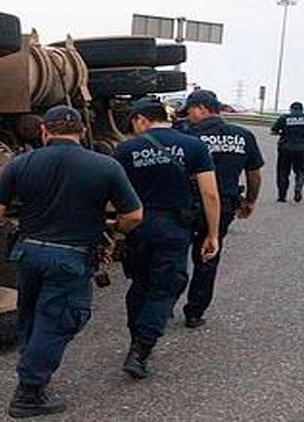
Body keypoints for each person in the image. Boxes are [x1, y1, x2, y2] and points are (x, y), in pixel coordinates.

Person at [0, 105, 143, 418]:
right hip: (71, 256)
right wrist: (113, 234)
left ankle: (32, 367)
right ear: (80, 131)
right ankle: (29, 392)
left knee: (32, 317)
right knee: (60, 320)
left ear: (44, 131)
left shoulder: (20, 164)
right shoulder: (105, 166)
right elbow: (133, 215)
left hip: (28, 253)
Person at [114, 97, 220, 379]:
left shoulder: (125, 149)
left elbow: (113, 195)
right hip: (175, 227)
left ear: (141, 120)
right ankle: (141, 348)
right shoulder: (194, 145)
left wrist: (114, 230)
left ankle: (137, 337)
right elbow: (210, 193)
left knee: (140, 283)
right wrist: (212, 233)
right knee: (166, 286)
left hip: (137, 226)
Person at [178, 90, 264, 328]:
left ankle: (163, 305)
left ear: (203, 108)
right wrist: (250, 200)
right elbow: (254, 173)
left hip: (185, 205)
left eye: (191, 111)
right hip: (223, 207)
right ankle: (194, 312)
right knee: (207, 257)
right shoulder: (242, 135)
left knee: (174, 255)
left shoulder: (185, 134)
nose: (188, 117)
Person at [272, 102, 304, 203]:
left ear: (291, 109)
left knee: (283, 172)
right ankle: (298, 186)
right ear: (302, 109)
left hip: (285, 149)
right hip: (303, 149)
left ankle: (282, 196)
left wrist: (281, 133)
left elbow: (274, 130)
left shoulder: (284, 118)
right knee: (301, 171)